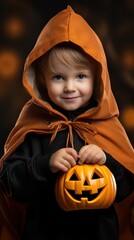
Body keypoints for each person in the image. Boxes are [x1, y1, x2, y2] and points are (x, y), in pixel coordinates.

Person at [0, 5, 134, 240]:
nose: (70, 87)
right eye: (58, 77)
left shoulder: (107, 124)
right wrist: (45, 164)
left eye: (80, 76)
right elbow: (10, 182)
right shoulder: (33, 123)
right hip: (43, 232)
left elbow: (125, 191)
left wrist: (107, 161)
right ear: (42, 80)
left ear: (97, 77)